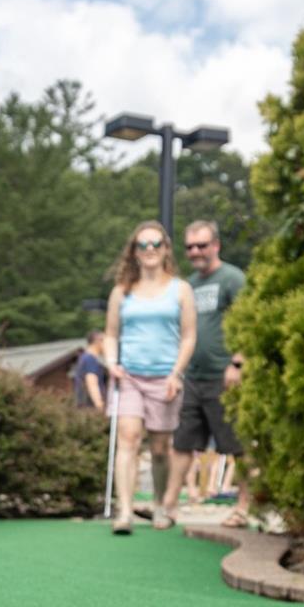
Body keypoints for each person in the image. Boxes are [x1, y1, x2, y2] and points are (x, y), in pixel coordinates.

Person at [104, 220, 196, 535]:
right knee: (128, 438)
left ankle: (159, 505)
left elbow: (188, 336)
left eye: (156, 244)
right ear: (134, 252)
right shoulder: (122, 292)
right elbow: (111, 334)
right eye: (143, 245)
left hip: (165, 378)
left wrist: (176, 373)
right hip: (129, 376)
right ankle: (124, 511)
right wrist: (112, 362)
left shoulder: (180, 290)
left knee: (159, 448)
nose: (150, 250)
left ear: (166, 249)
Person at [177, 219, 253, 528]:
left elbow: (248, 321)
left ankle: (243, 508)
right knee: (182, 444)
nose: (195, 251)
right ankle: (168, 506)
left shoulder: (232, 278)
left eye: (202, 245)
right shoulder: (188, 285)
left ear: (216, 245)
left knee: (237, 446)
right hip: (192, 378)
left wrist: (238, 363)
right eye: (190, 247)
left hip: (224, 377)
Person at [71, 331, 108, 410]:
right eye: (106, 342)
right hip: (90, 407)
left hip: (84, 406)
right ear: (98, 342)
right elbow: (91, 382)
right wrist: (99, 403)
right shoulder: (90, 359)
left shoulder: (84, 358)